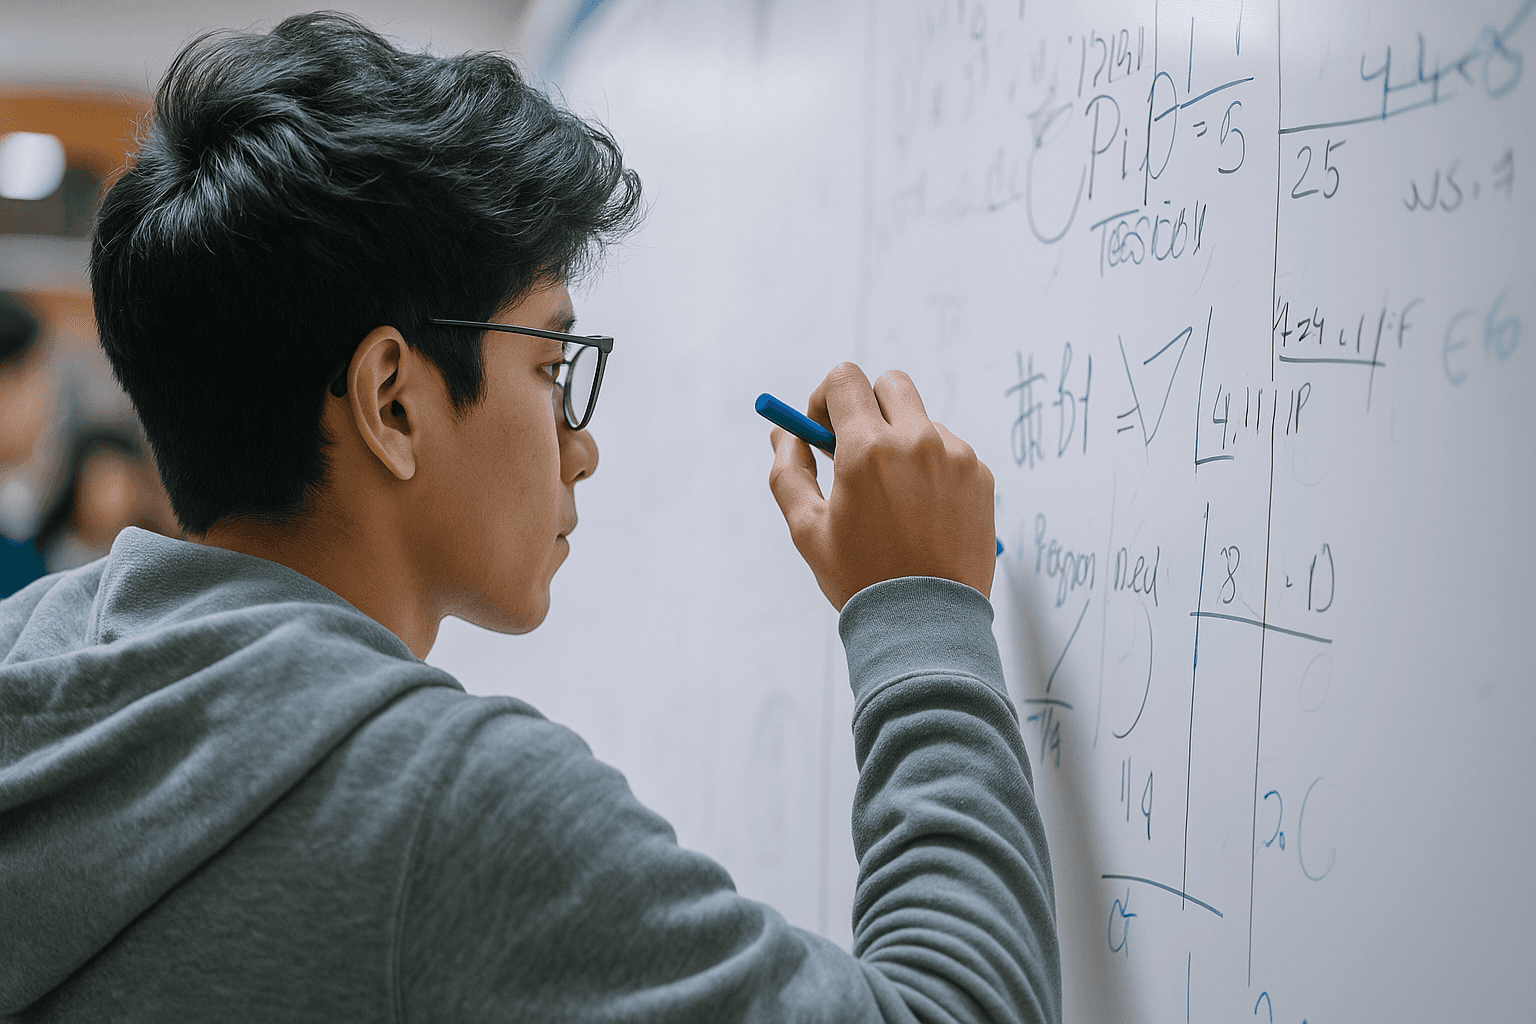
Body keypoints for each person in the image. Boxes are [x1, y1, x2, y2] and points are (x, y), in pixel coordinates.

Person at [0, 13, 1060, 1023]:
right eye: (553, 368)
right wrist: (921, 608)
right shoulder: (447, 806)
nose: (581, 448)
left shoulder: (27, 656)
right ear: (391, 403)